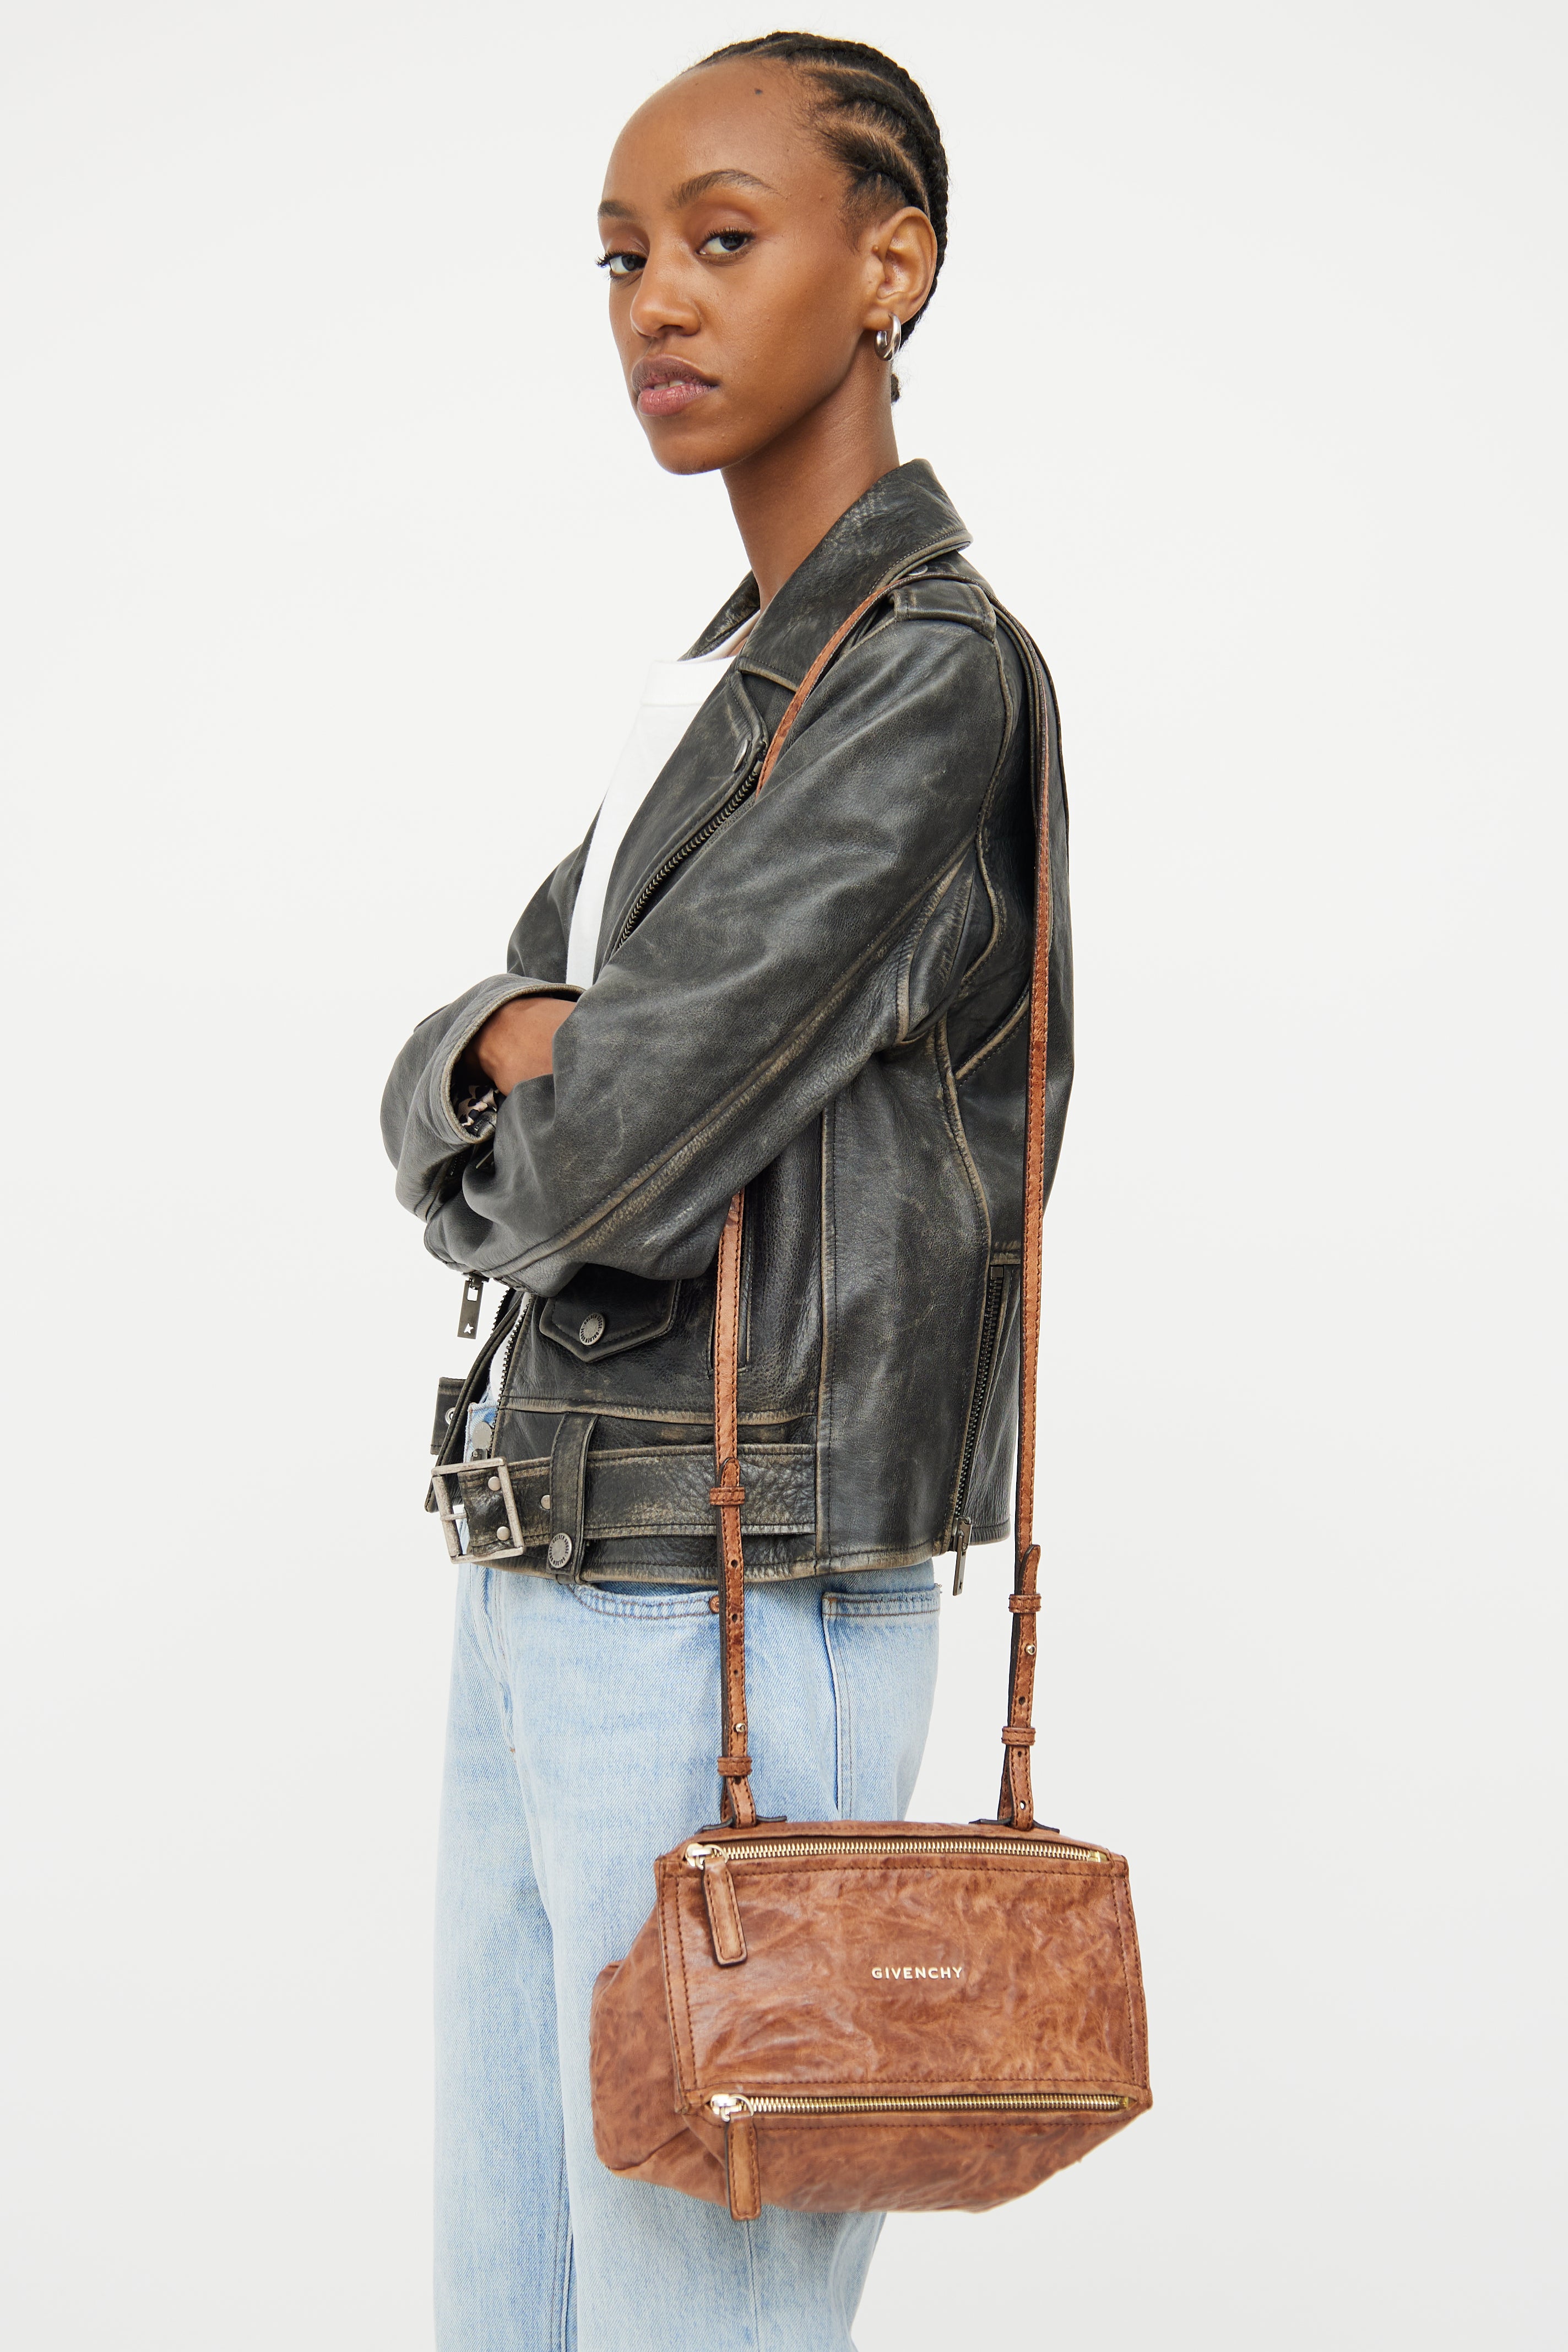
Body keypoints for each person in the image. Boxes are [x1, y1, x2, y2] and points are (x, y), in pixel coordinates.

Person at [380, 31, 1072, 2351]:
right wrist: (496, 1045)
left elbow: (604, 1158)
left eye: (722, 237)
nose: (655, 301)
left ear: (893, 268)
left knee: (700, 2314)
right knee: (510, 2297)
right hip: (559, 1565)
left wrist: (523, 1061)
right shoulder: (732, 683)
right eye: (619, 257)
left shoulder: (924, 683)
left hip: (733, 1598)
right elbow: (497, 1045)